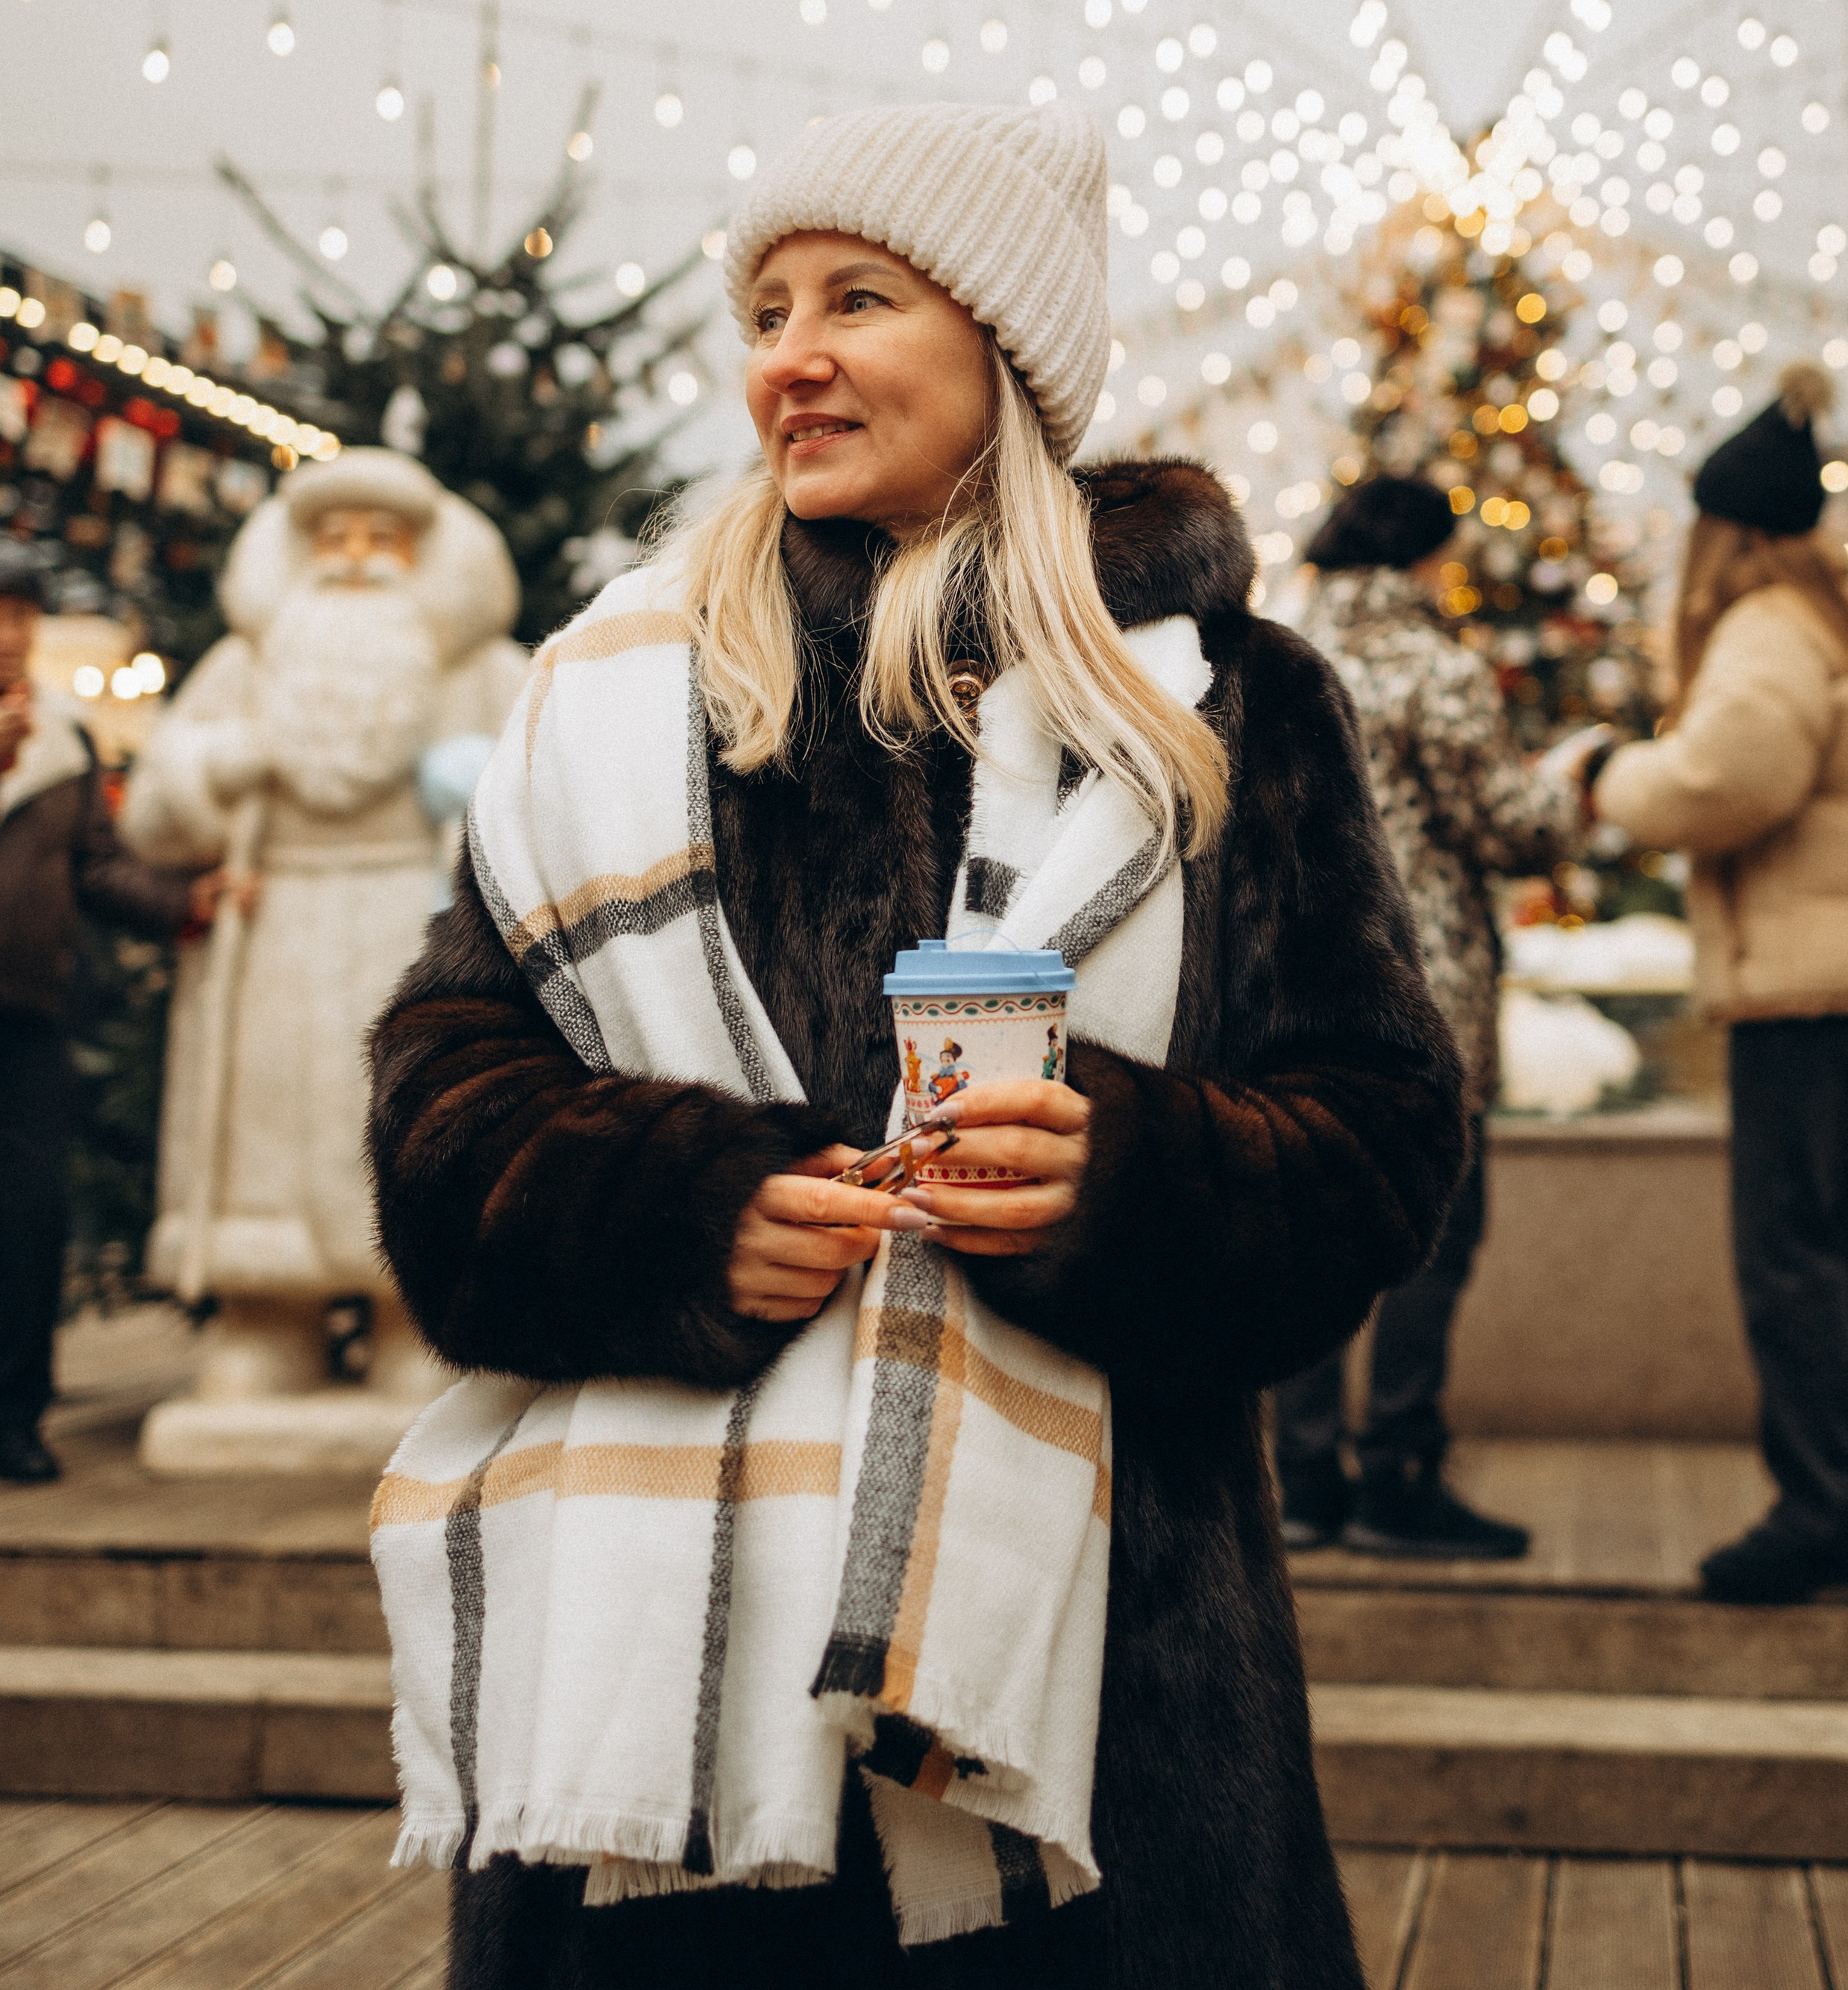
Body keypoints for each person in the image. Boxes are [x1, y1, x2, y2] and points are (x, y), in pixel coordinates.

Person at [366, 101, 1465, 1990]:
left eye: (854, 296)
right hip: (669, 1779)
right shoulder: (625, 700)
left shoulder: (1225, 704)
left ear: (1005, 344)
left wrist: (1122, 1177)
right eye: (768, 303)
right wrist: (679, 1210)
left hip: (1106, 1716)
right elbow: (444, 1098)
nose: (786, 353)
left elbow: (1374, 1135)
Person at [119, 451, 525, 1466]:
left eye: (379, 541)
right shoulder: (247, 666)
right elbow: (154, 812)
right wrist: (222, 761)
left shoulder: (477, 666)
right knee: (271, 1126)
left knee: (397, 1111)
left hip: (413, 921)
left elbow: (544, 775)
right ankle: (266, 1321)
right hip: (277, 927)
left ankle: (409, 1316)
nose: (352, 562)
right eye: (330, 539)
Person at [1592, 362, 1848, 1604]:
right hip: (1845, 976)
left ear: (1726, 529)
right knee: (1842, 1244)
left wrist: (1610, 778)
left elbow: (1726, 779)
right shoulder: (1840, 617)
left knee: (1790, 1251)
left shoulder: (1767, 630)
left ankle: (1827, 1504)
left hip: (1801, 980)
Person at [1276, 473, 1585, 1558]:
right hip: (1424, 1002)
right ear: (1421, 560)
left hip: (1294, 999)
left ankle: (1302, 1475)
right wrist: (1572, 779)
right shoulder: (1436, 672)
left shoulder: (1272, 662)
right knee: (1435, 1234)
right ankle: (1397, 1470)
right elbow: (1508, 825)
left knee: (1310, 1232)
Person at [0, 555, 215, 1483]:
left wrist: (187, 903)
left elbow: (96, 866)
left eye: (22, 615)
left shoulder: (61, 736)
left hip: (28, 1014)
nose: (10, 633)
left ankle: (16, 1416)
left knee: (31, 1217)